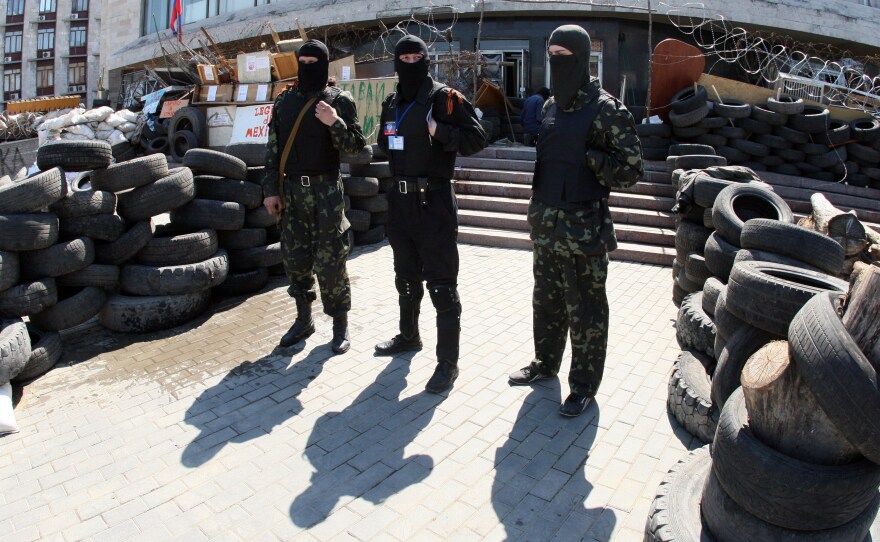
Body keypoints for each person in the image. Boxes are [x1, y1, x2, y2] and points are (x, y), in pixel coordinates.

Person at [507, 25, 644, 417]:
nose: (555, 61)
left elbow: (632, 170)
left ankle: (583, 386)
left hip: (584, 233)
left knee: (586, 310)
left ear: (582, 59)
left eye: (562, 55)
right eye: (551, 54)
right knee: (546, 304)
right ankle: (545, 364)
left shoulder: (606, 109)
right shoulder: (550, 106)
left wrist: (593, 160)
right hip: (547, 227)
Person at [374, 35, 487, 394]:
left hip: (434, 203)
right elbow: (383, 141)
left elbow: (478, 138)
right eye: (403, 57)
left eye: (416, 56)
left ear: (426, 59)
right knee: (405, 278)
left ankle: (447, 364)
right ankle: (409, 336)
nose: (409, 62)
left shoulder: (444, 98)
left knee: (441, 286)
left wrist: (439, 131)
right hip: (401, 203)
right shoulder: (391, 102)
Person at [262, 39, 366, 355]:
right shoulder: (285, 101)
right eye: (302, 62)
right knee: (296, 259)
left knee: (332, 260)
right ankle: (303, 319)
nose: (308, 67)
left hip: (326, 193)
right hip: (292, 193)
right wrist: (270, 191)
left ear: (324, 64)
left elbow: (357, 148)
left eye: (314, 62)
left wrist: (334, 122)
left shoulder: (339, 100)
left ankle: (339, 326)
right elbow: (272, 150)